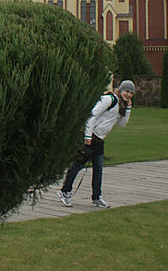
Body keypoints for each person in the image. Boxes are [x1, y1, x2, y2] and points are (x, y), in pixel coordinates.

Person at [57, 80, 135, 209]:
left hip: (99, 140)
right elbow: (92, 115)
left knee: (98, 170)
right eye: (127, 91)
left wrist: (128, 108)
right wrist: (87, 136)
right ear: (121, 90)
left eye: (131, 93)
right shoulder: (109, 99)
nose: (129, 94)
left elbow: (121, 124)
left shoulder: (120, 104)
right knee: (77, 165)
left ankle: (97, 197)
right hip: (91, 137)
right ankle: (65, 191)